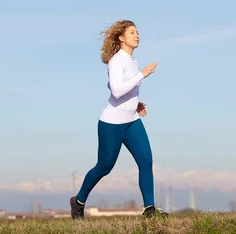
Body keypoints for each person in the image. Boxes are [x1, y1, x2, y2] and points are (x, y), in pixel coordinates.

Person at [69, 19, 169, 220]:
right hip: (111, 123)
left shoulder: (132, 61)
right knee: (104, 166)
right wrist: (142, 75)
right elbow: (116, 90)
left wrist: (136, 103)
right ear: (121, 38)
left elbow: (123, 89)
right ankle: (78, 201)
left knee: (146, 161)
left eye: (137, 32)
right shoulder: (117, 61)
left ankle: (149, 209)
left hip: (131, 120)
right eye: (132, 32)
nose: (137, 35)